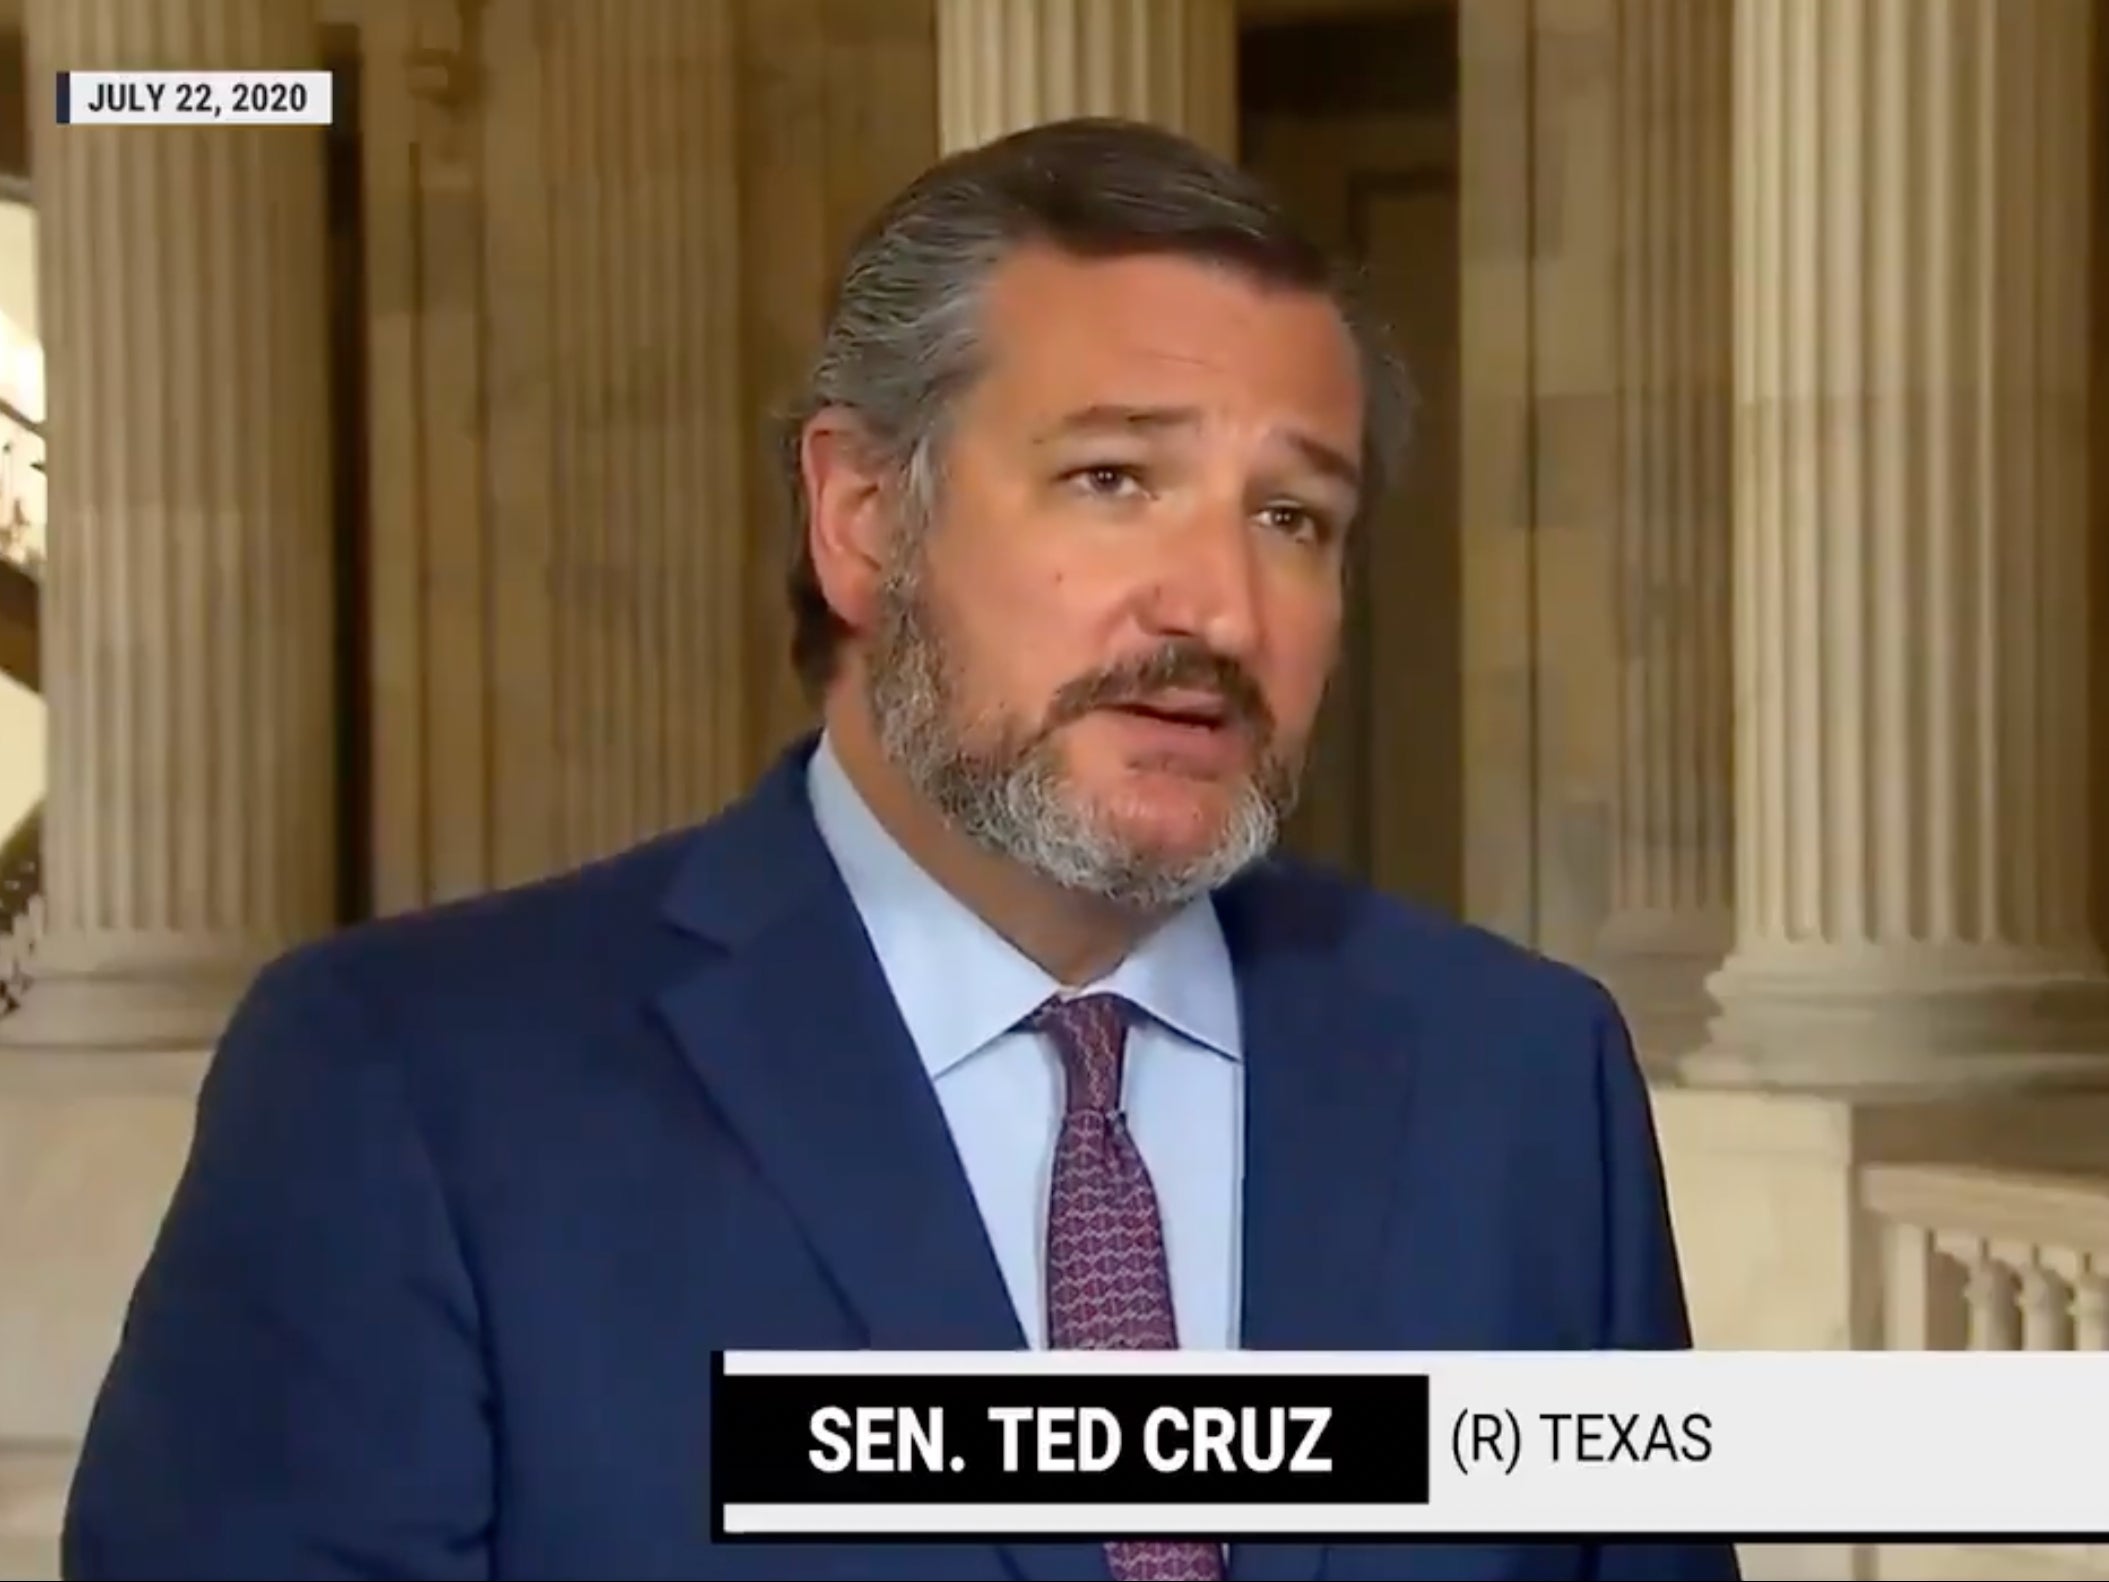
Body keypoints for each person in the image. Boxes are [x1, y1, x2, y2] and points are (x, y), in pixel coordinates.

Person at [61, 118, 1739, 1582]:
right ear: (863, 521)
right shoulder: (410, 1088)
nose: (1220, 608)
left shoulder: (1524, 1082)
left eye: (1291, 515)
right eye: (1111, 478)